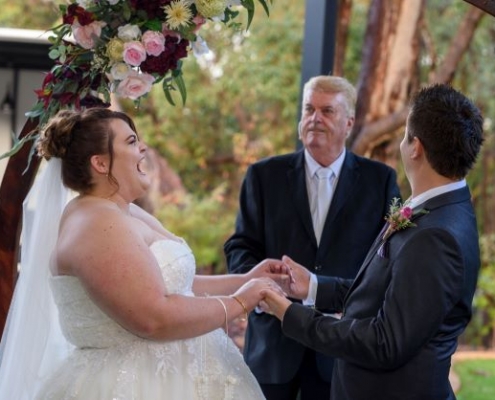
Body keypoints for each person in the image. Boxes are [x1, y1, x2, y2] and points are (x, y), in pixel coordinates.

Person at [0, 107, 289, 400]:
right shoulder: (96, 224)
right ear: (100, 163)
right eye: (130, 141)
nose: (143, 148)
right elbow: (153, 318)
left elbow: (175, 286)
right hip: (134, 386)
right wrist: (240, 301)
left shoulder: (122, 210)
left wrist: (247, 279)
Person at [262, 83, 484, 400]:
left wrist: (291, 314)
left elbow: (384, 341)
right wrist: (313, 286)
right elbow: (387, 293)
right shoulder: (439, 208)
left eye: (406, 133)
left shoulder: (437, 236)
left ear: (415, 147)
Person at [224, 75, 401, 400]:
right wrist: (260, 285)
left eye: (327, 111)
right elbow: (240, 245)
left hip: (341, 350)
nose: (314, 119)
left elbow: (387, 262)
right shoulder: (264, 176)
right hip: (272, 348)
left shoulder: (381, 181)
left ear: (348, 123)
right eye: (308, 109)